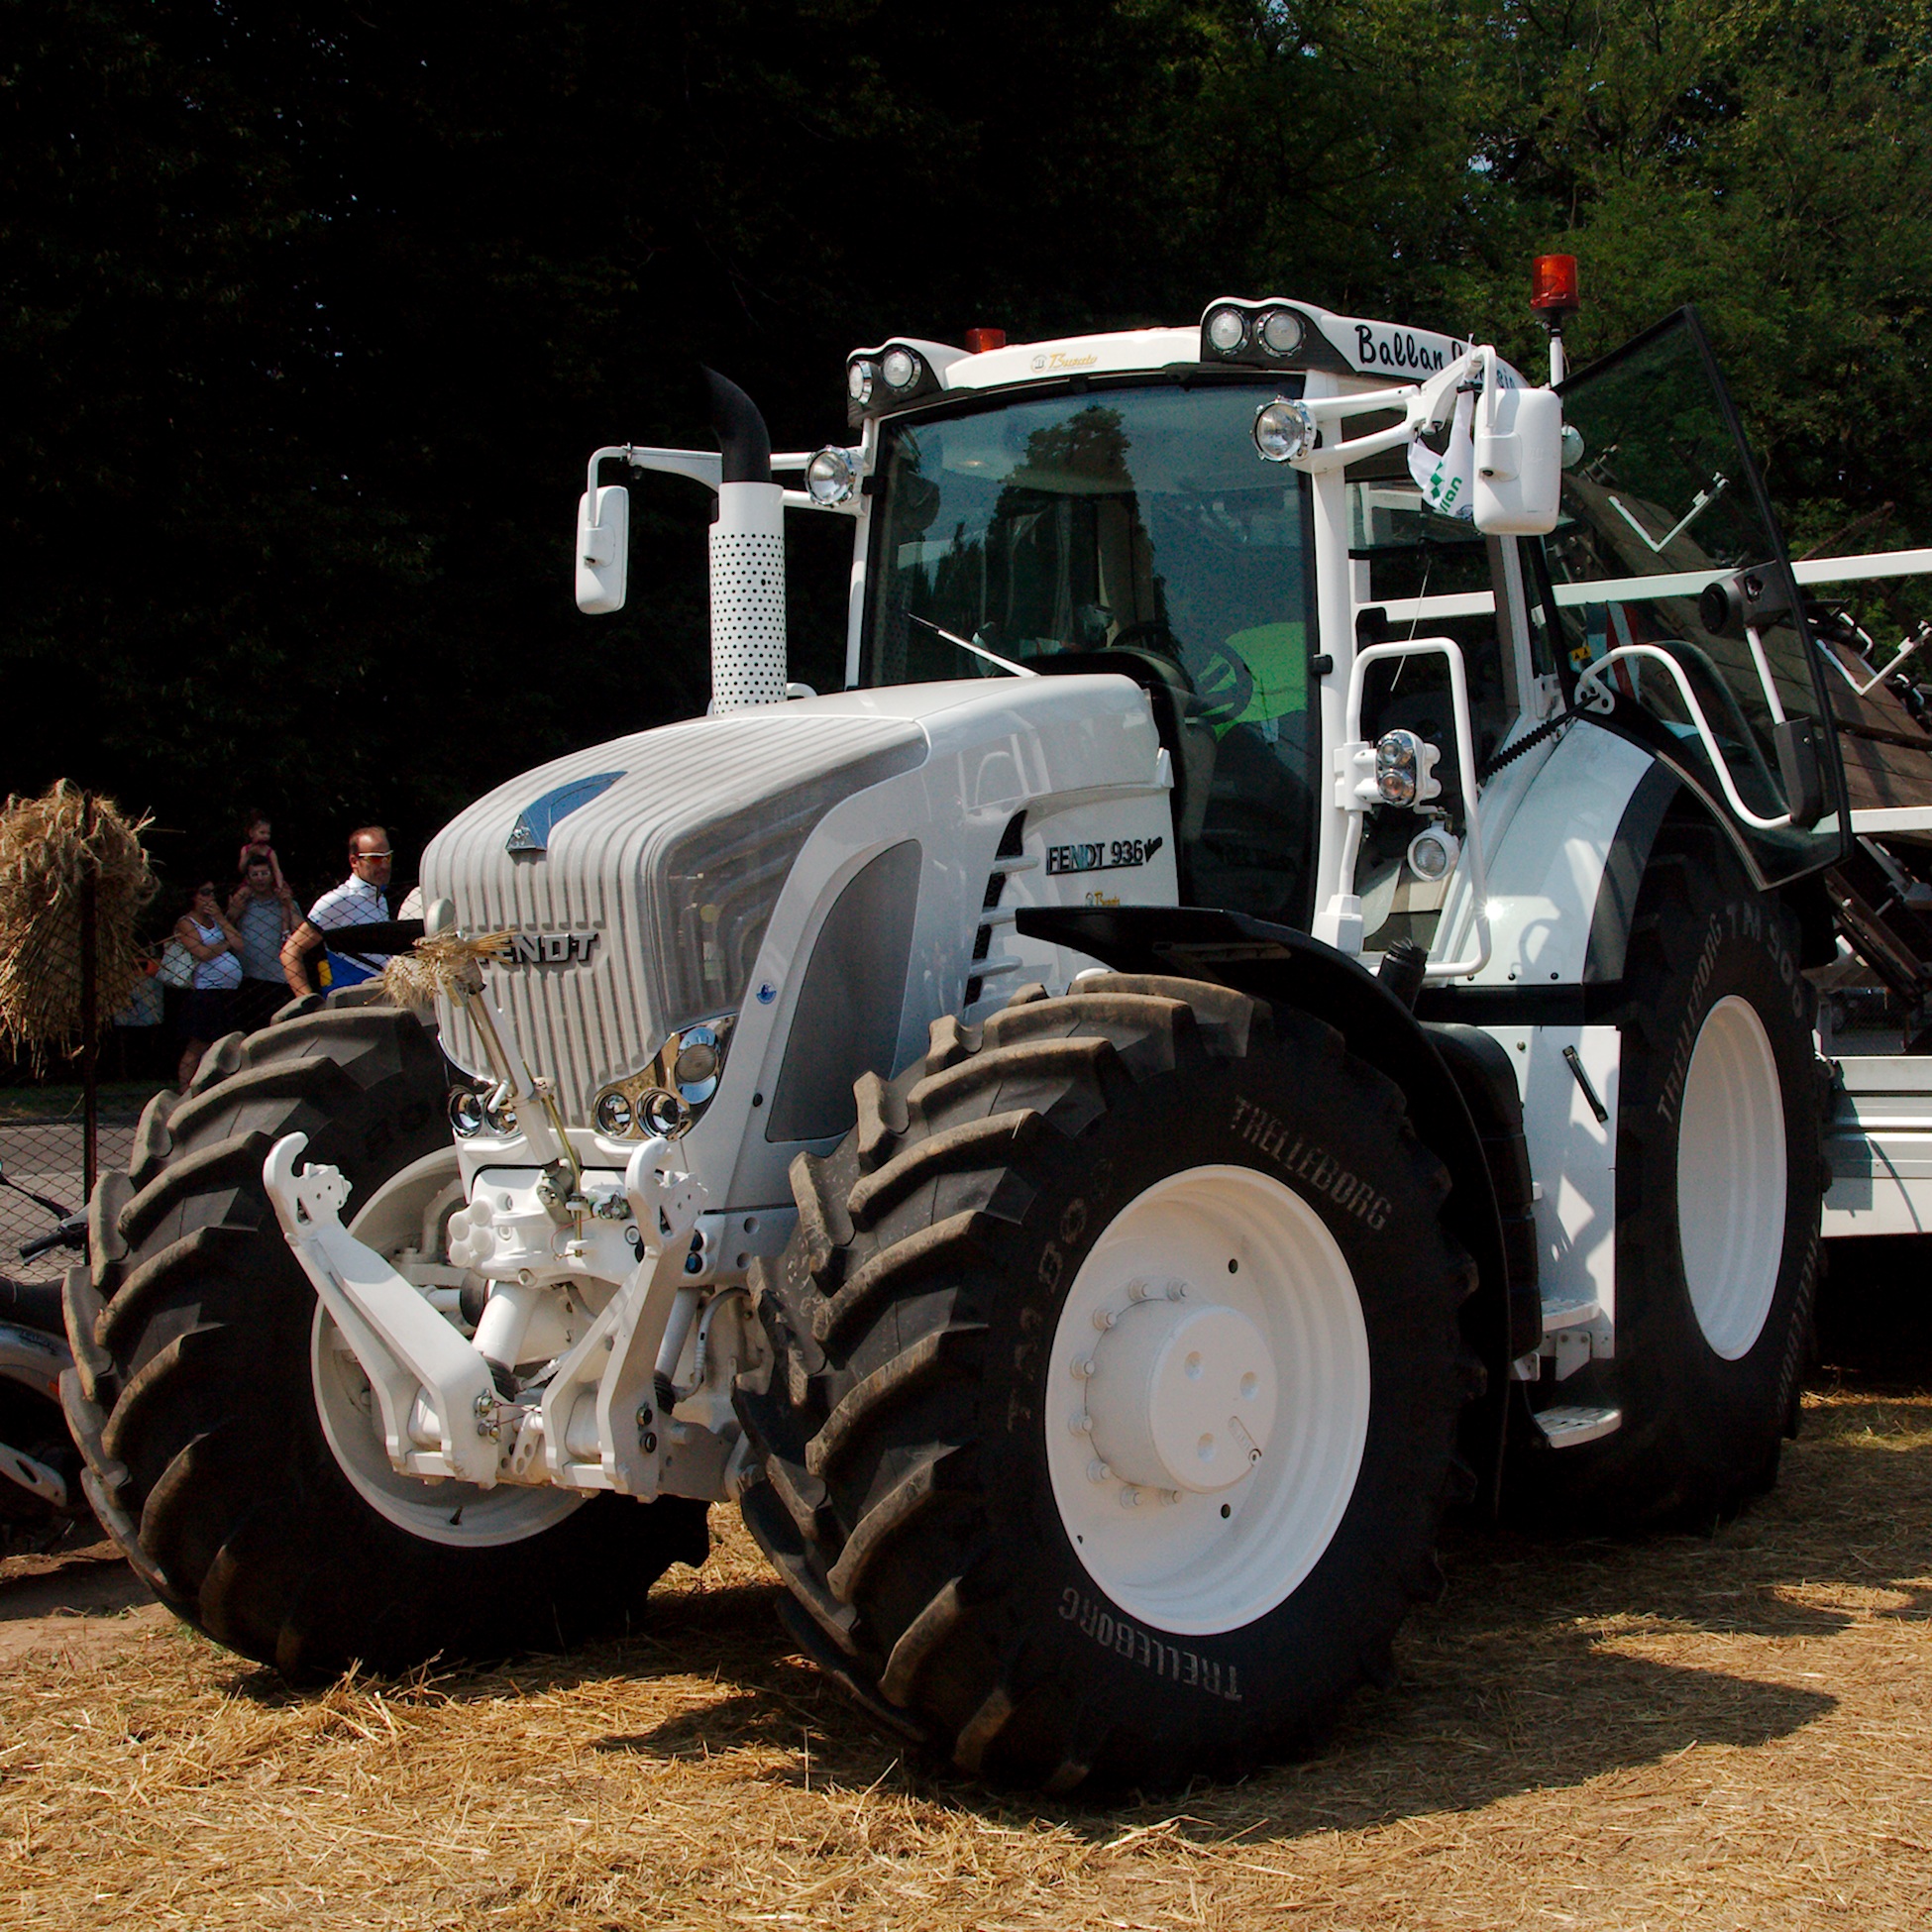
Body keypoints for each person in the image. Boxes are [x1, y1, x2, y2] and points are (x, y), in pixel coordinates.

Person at [281, 826, 394, 997]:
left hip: (381, 995)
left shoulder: (380, 897)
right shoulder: (338, 900)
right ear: (354, 861)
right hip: (350, 1002)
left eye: (388, 857)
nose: (385, 865)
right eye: (375, 859)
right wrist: (307, 1002)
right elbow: (290, 952)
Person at [173, 876, 245, 1091]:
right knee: (198, 1044)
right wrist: (225, 943)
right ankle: (185, 1090)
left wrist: (222, 921)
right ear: (194, 897)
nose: (210, 898)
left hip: (228, 991)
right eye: (205, 893)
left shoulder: (217, 921)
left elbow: (239, 944)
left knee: (226, 1044)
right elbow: (203, 953)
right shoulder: (186, 922)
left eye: (212, 893)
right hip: (205, 991)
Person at [229, 853, 298, 1029]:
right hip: (247, 979)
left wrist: (289, 904)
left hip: (279, 979)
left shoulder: (284, 903)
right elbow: (227, 927)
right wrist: (235, 910)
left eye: (264, 873)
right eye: (255, 874)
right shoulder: (242, 904)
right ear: (248, 879)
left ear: (272, 876)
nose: (260, 879)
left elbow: (301, 931)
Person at [238, 808, 288, 897]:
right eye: (262, 833)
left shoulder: (269, 852)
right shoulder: (245, 849)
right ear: (251, 833)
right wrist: (249, 854)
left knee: (285, 896)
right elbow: (241, 869)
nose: (265, 836)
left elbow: (277, 870)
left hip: (269, 883)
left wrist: (280, 886)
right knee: (240, 895)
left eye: (268, 834)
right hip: (250, 883)